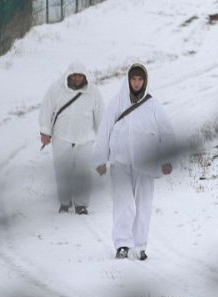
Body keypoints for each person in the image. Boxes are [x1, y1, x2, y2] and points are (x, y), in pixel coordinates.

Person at [96, 62, 175, 261]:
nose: (137, 82)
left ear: (145, 81)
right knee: (124, 204)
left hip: (146, 164)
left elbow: (167, 133)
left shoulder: (154, 106)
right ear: (128, 80)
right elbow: (104, 130)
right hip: (119, 162)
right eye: (134, 79)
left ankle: (139, 246)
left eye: (140, 79)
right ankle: (122, 244)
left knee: (143, 205)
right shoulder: (117, 103)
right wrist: (100, 158)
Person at [38, 61, 102, 215]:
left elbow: (101, 116)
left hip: (85, 139)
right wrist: (45, 132)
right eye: (75, 76)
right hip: (62, 137)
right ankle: (65, 203)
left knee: (84, 171)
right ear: (69, 76)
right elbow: (45, 110)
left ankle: (81, 205)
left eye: (81, 76)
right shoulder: (56, 90)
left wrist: (103, 137)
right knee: (62, 170)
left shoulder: (93, 93)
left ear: (85, 77)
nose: (78, 78)